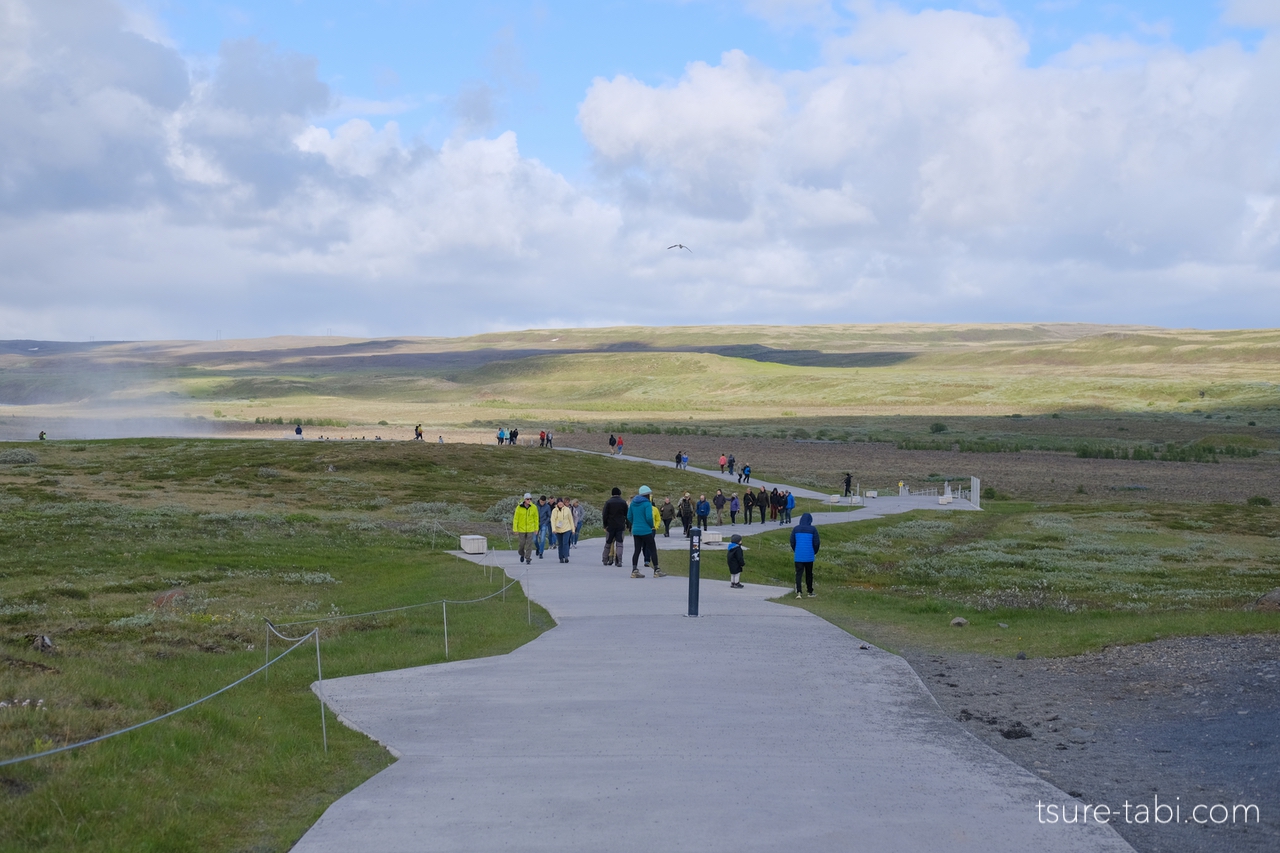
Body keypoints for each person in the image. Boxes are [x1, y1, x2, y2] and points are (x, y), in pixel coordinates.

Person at [627, 485, 664, 577]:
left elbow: (629, 516)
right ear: (647, 495)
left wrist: (635, 523)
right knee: (652, 549)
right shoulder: (647, 504)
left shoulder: (633, 503)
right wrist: (651, 525)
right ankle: (656, 570)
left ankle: (634, 570)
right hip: (646, 530)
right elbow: (649, 517)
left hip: (636, 530)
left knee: (637, 550)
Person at [789, 512, 820, 599]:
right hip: (809, 555)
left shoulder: (796, 529)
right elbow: (816, 543)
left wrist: (796, 550)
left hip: (798, 555)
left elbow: (792, 541)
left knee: (798, 573)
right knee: (809, 573)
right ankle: (810, 591)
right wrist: (814, 551)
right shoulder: (813, 529)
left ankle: (799, 591)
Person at [602, 487, 628, 567]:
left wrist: (605, 525)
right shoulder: (623, 502)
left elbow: (605, 515)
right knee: (619, 543)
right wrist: (627, 525)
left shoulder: (608, 502)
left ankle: (605, 559)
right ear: (619, 494)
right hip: (620, 525)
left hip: (610, 526)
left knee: (608, 543)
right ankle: (619, 560)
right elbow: (627, 515)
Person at [512, 493, 539, 563]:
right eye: (527, 499)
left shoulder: (534, 507)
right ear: (524, 499)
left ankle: (528, 558)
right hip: (521, 529)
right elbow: (516, 519)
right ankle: (522, 554)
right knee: (522, 544)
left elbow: (536, 518)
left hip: (530, 529)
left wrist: (536, 528)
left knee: (529, 544)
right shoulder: (519, 507)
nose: (529, 500)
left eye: (530, 499)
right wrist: (515, 529)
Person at [551, 498, 575, 563]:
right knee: (560, 544)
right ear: (557, 504)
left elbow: (571, 519)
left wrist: (573, 529)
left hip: (567, 528)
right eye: (559, 503)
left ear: (563, 503)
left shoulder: (567, 510)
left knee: (565, 543)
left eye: (561, 502)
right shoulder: (554, 511)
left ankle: (566, 556)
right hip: (558, 529)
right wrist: (553, 529)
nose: (560, 504)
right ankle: (561, 557)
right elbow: (552, 520)